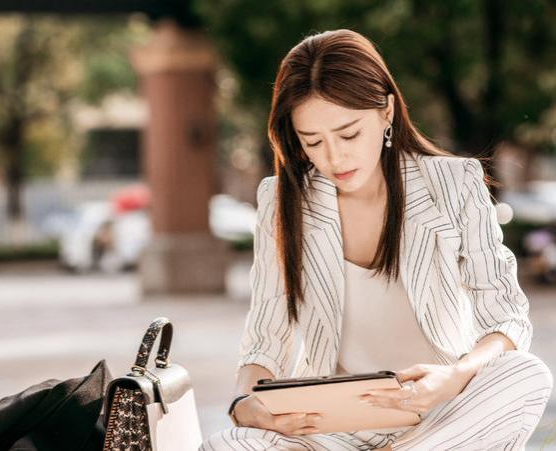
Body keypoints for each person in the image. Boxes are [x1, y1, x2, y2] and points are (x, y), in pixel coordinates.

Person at [199, 28, 553, 450]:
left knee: (527, 374)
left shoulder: (454, 183)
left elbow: (506, 318)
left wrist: (455, 376)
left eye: (349, 134)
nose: (334, 157)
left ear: (386, 112)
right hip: (334, 428)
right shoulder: (282, 201)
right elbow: (264, 343)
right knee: (225, 445)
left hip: (443, 415)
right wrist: (245, 405)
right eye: (312, 141)